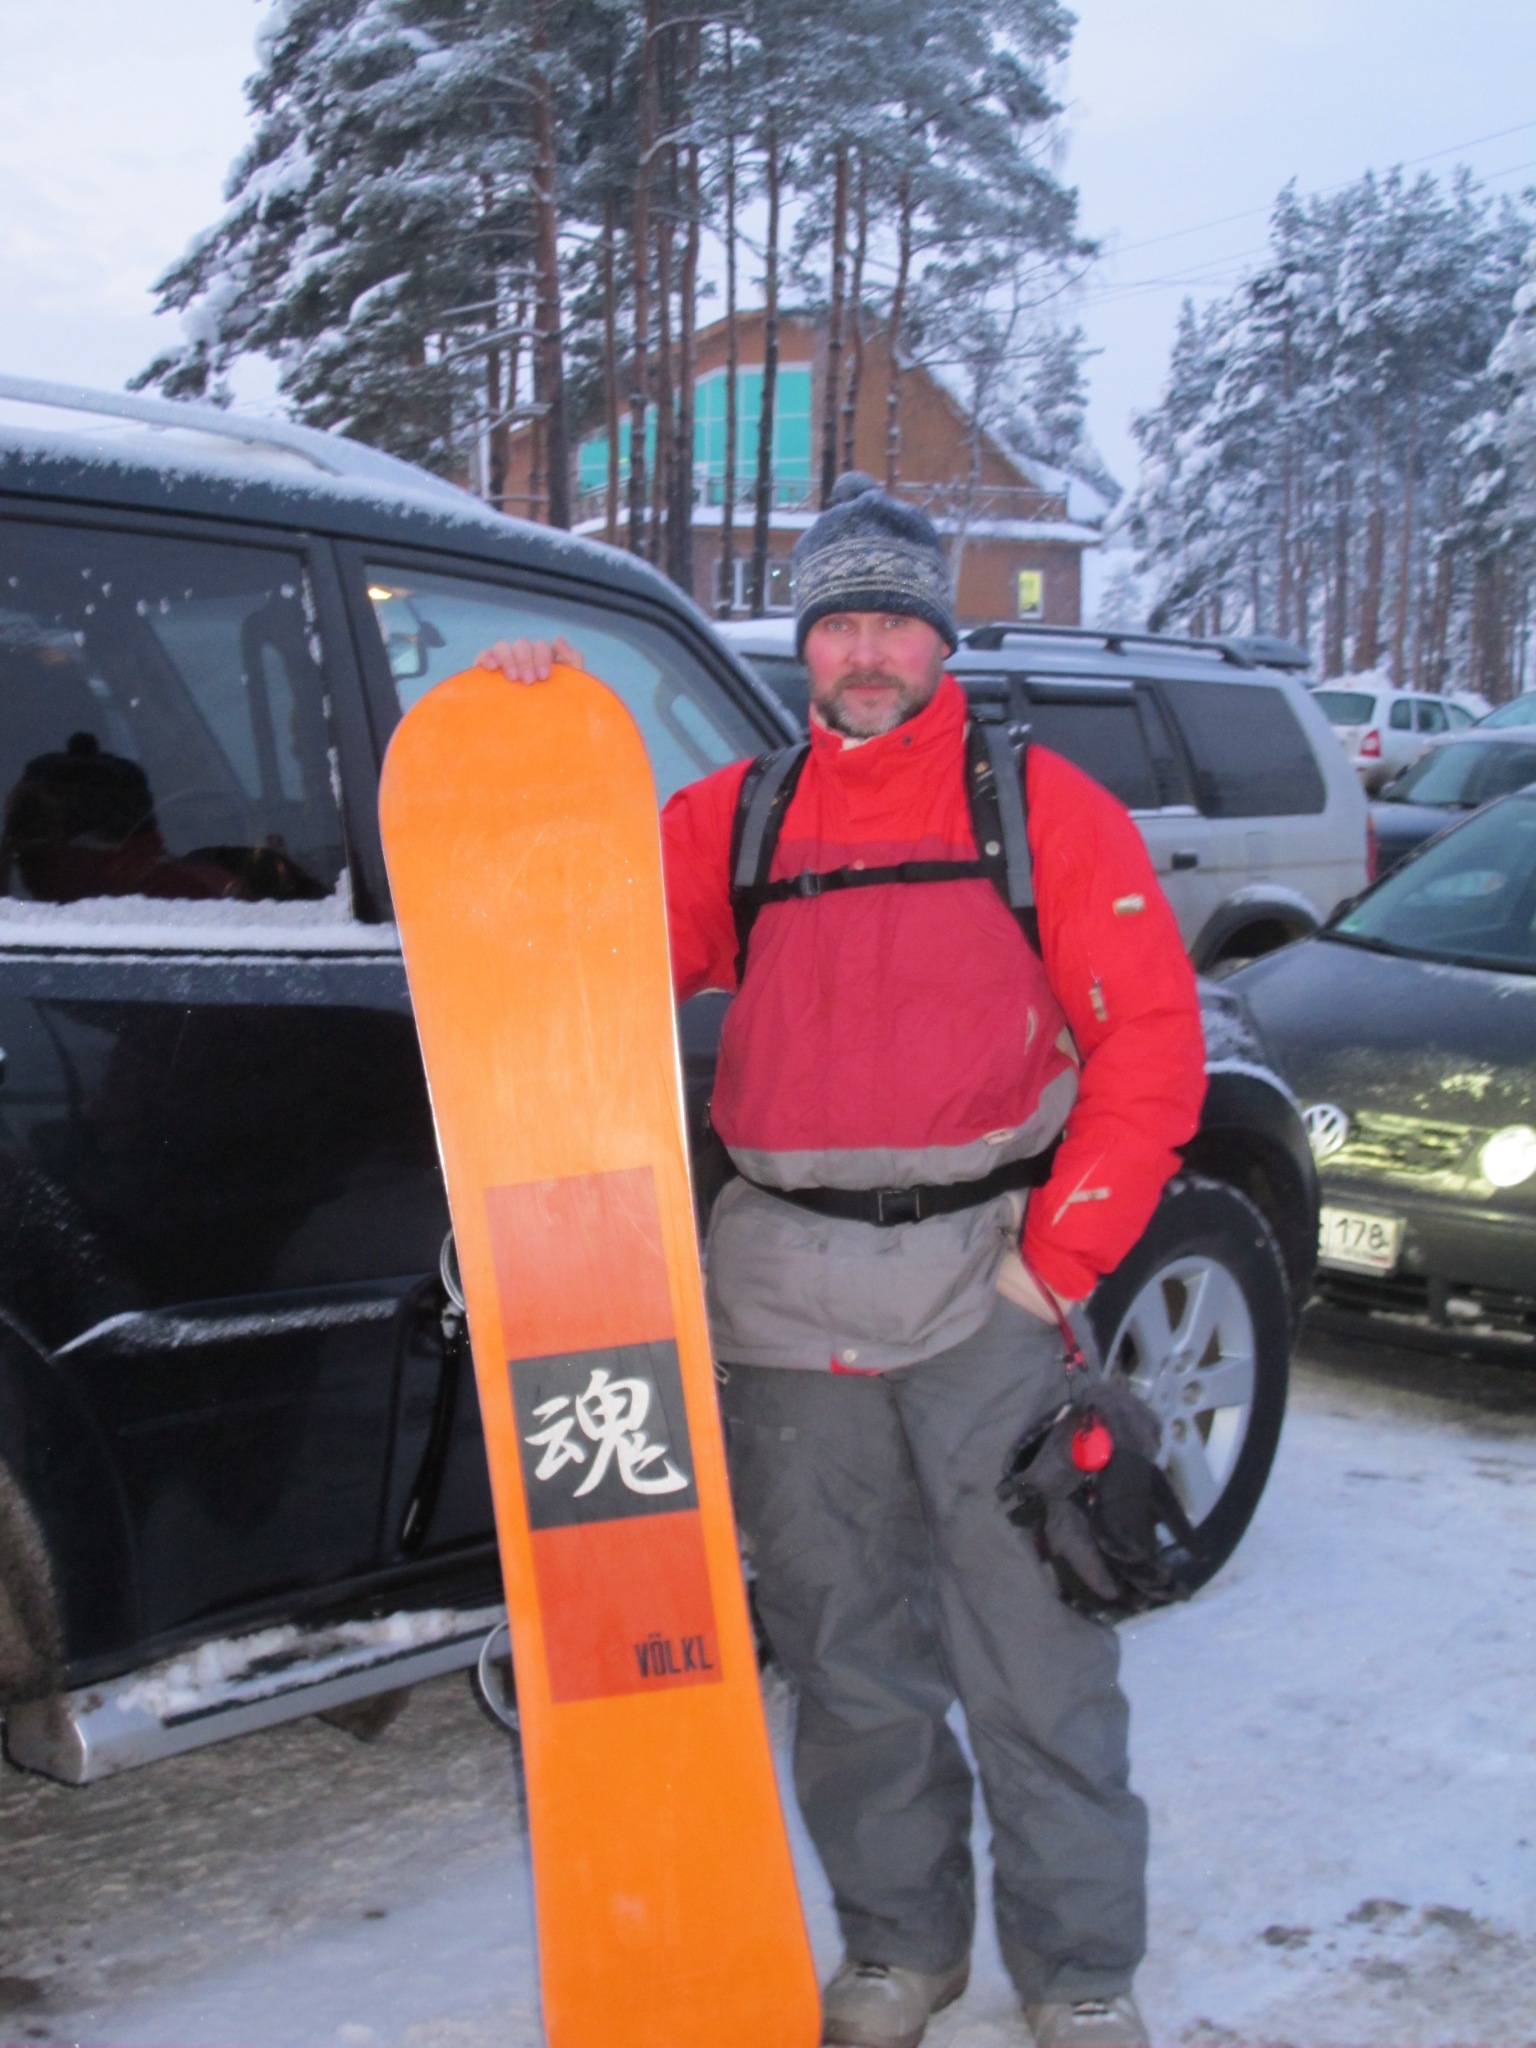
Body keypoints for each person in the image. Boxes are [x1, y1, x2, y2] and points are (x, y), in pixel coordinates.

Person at [481, 475, 1205, 2048]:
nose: (867, 651)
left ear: (940, 638)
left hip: (984, 1290)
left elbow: (1152, 1045)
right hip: (781, 1298)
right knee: (848, 1660)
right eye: (839, 624)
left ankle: (1080, 1971)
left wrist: (1057, 1262)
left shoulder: (1040, 808)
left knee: (1034, 1656)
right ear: (804, 644)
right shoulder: (739, 817)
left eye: (895, 621)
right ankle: (900, 1948)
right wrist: (530, 736)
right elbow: (561, 938)